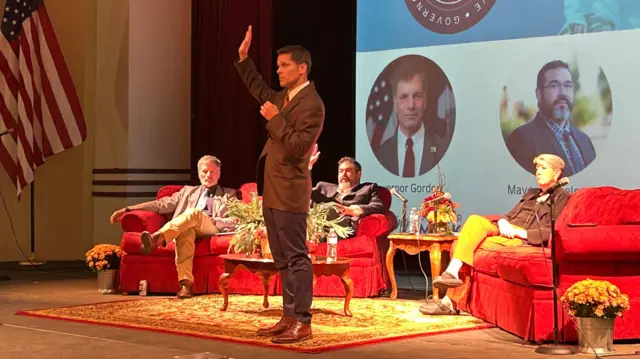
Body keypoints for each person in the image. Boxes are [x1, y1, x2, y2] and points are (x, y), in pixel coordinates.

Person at [235, 25, 324, 344]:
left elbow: (300, 146)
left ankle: (303, 320)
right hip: (272, 189)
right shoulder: (284, 97)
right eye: (278, 66)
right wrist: (244, 59)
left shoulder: (313, 104)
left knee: (297, 257)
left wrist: (274, 118)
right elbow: (260, 90)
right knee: (282, 258)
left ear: (302, 68)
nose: (279, 70)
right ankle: (288, 316)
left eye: (285, 65)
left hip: (290, 190)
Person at [420, 154, 571, 316]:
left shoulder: (562, 198)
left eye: (543, 168)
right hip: (505, 230)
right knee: (474, 220)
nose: (538, 172)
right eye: (537, 168)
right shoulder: (531, 194)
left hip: (520, 239)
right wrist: (503, 222)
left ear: (556, 173)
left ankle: (449, 301)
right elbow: (510, 214)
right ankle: (452, 272)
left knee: (462, 245)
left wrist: (520, 232)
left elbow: (551, 230)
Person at [109, 155, 237, 299]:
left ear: (219, 173)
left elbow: (235, 221)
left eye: (212, 172)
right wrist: (128, 209)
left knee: (193, 213)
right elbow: (160, 205)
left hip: (210, 228)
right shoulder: (187, 192)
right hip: (185, 229)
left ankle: (157, 238)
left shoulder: (229, 194)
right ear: (198, 173)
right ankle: (186, 285)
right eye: (204, 171)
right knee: (186, 232)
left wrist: (214, 221)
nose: (208, 175)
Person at [505, 60, 596, 177]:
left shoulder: (585, 141)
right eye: (554, 85)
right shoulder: (521, 140)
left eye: (568, 85)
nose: (562, 93)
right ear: (539, 94)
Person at [374, 58, 446, 177]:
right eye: (404, 97)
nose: (411, 105)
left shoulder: (442, 149)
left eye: (417, 96)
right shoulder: (381, 154)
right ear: (395, 103)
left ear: (425, 101)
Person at [310, 156, 385, 235]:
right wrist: (307, 168)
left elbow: (379, 205)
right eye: (341, 171)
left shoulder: (368, 188)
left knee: (331, 209)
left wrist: (353, 210)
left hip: (344, 226)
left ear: (358, 174)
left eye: (348, 171)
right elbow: (304, 193)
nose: (344, 174)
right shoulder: (323, 187)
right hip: (317, 223)